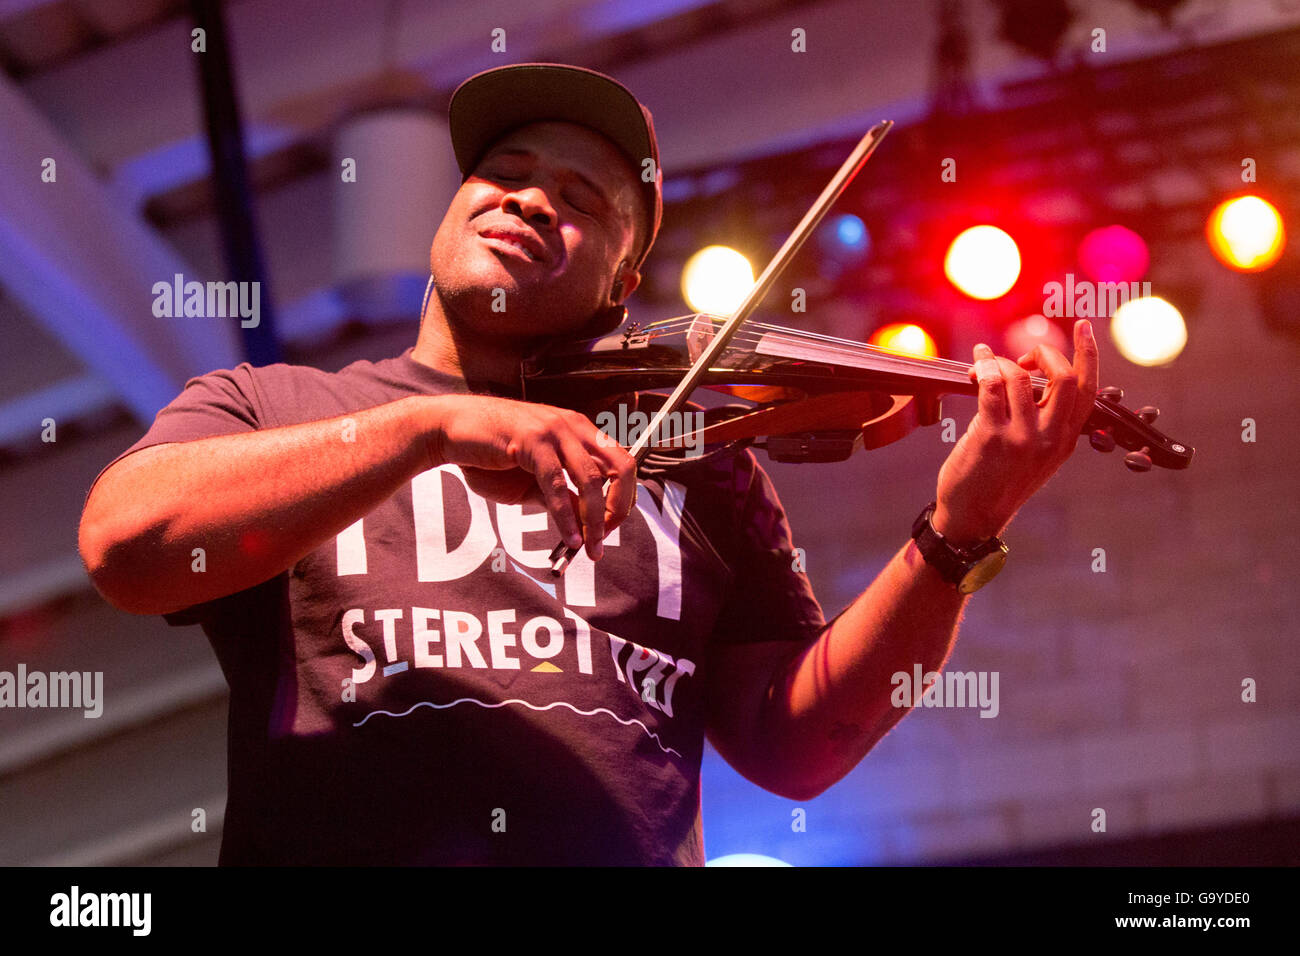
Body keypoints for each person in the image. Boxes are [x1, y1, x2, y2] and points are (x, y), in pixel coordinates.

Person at [78, 63, 1098, 865]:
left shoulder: (698, 465)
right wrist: (426, 431)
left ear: (623, 278)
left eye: (579, 200)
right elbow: (127, 544)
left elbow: (800, 745)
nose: (527, 200)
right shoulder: (275, 407)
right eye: (506, 170)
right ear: (451, 202)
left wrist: (957, 532)